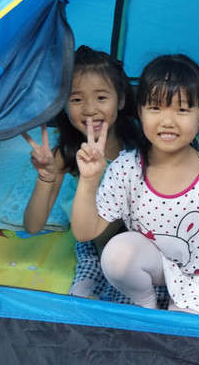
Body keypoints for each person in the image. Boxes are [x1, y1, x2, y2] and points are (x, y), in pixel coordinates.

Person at [70, 54, 199, 316]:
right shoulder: (126, 167)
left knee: (179, 329)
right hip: (154, 264)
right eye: (155, 108)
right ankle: (147, 305)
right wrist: (88, 180)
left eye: (182, 110)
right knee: (115, 254)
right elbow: (84, 233)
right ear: (140, 112)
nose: (167, 121)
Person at [23, 45, 141, 299]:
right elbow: (33, 226)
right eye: (76, 99)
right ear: (63, 105)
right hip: (99, 241)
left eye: (101, 98)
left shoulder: (139, 139)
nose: (89, 109)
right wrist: (46, 177)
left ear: (120, 100)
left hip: (144, 235)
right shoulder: (65, 154)